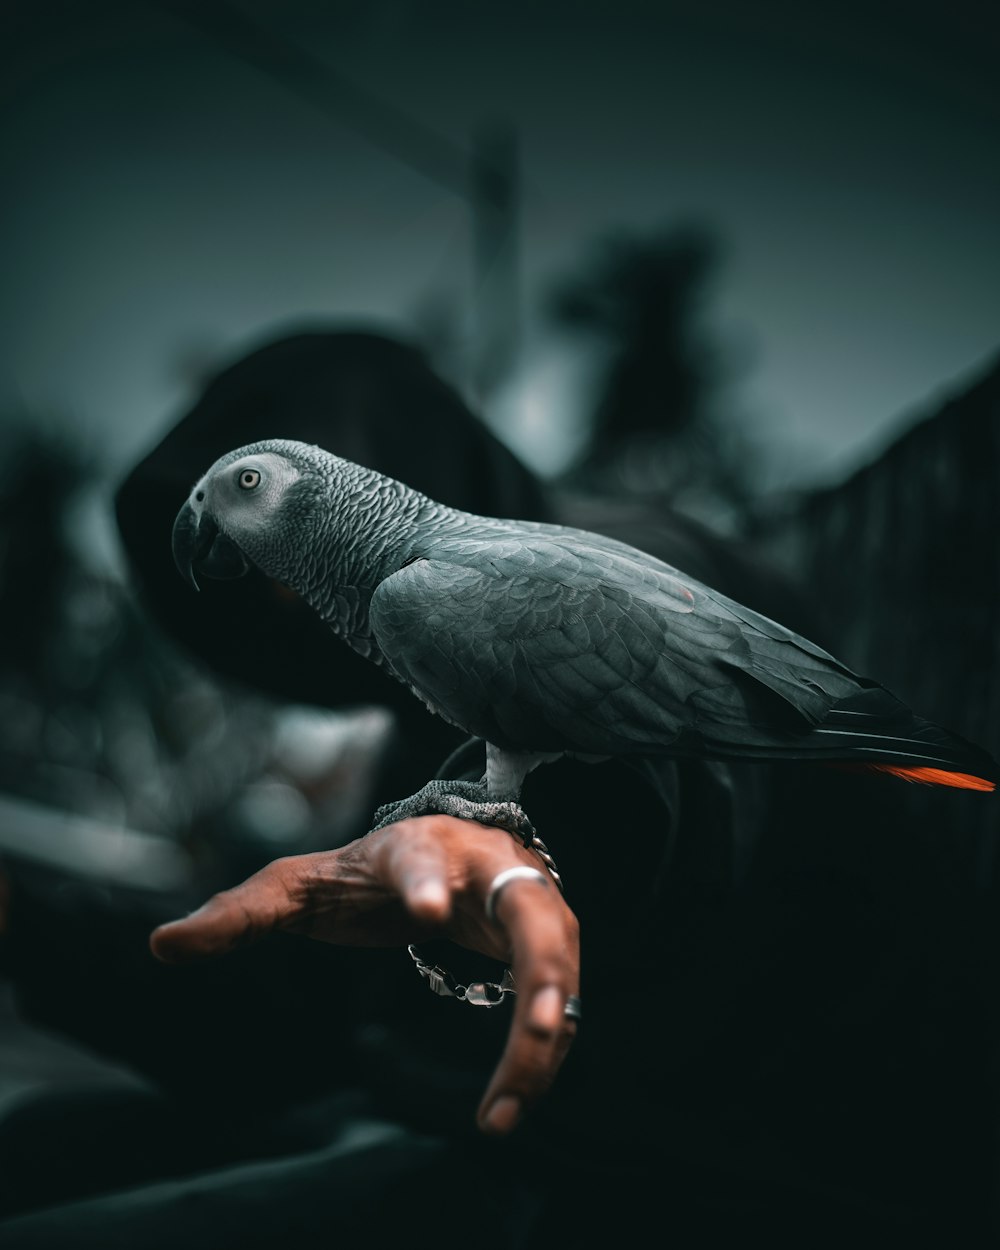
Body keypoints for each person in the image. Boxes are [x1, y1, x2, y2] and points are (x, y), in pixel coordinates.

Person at [0, 328, 992, 1247]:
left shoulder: (509, 575)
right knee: (50, 1138)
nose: (264, 596)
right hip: (469, 1105)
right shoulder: (413, 670)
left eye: (250, 487)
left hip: (684, 1158)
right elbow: (313, 998)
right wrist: (25, 917)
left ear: (375, 459)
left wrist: (522, 854)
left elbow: (678, 795)